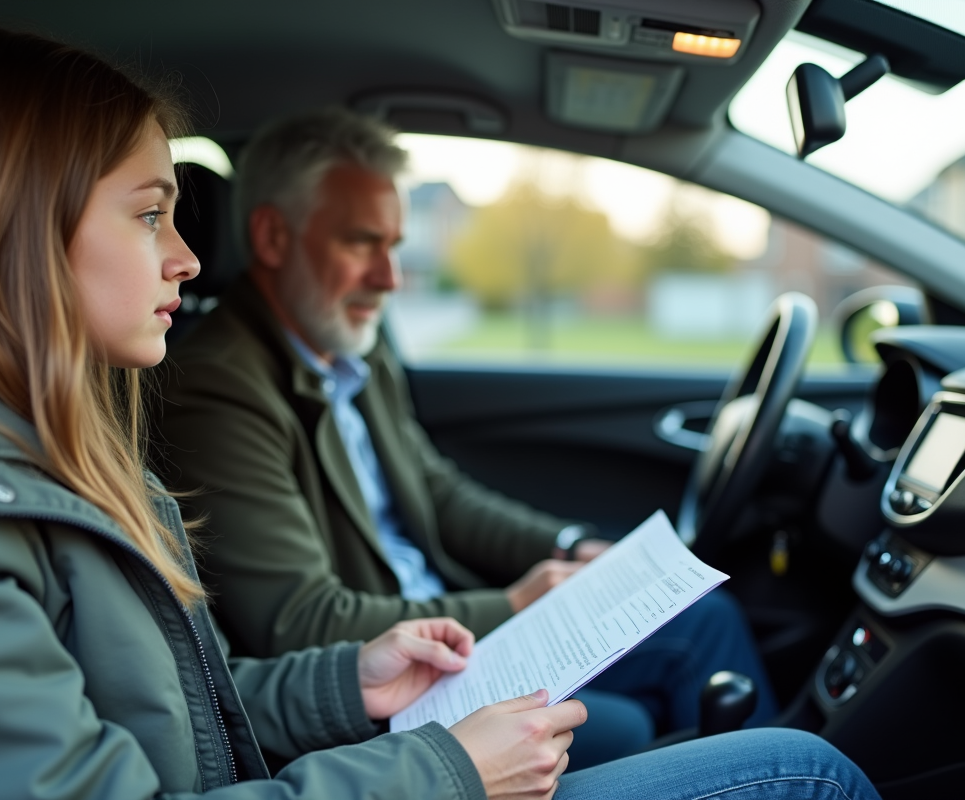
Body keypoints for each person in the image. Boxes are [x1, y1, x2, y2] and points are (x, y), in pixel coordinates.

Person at [0, 26, 882, 800]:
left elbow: (174, 708)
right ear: (18, 225)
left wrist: (352, 684)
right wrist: (442, 765)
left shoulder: (29, 441)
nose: (186, 259)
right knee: (803, 770)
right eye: (151, 213)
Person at [155, 108, 777, 765]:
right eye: (362, 243)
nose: (389, 278)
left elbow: (435, 491)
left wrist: (569, 547)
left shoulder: (347, 348)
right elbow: (300, 621)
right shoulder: (218, 389)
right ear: (273, 237)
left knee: (706, 618)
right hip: (387, 685)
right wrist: (510, 605)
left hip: (445, 639)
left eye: (394, 246)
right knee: (629, 726)